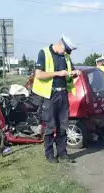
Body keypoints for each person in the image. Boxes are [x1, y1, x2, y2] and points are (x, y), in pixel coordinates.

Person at [32, 35, 80, 163]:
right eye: (66, 50)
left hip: (63, 94)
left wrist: (75, 73)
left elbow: (70, 74)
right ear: (60, 43)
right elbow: (39, 74)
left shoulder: (66, 57)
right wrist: (58, 73)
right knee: (50, 125)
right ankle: (49, 154)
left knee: (63, 125)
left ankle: (62, 153)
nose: (66, 53)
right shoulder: (44, 53)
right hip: (49, 95)